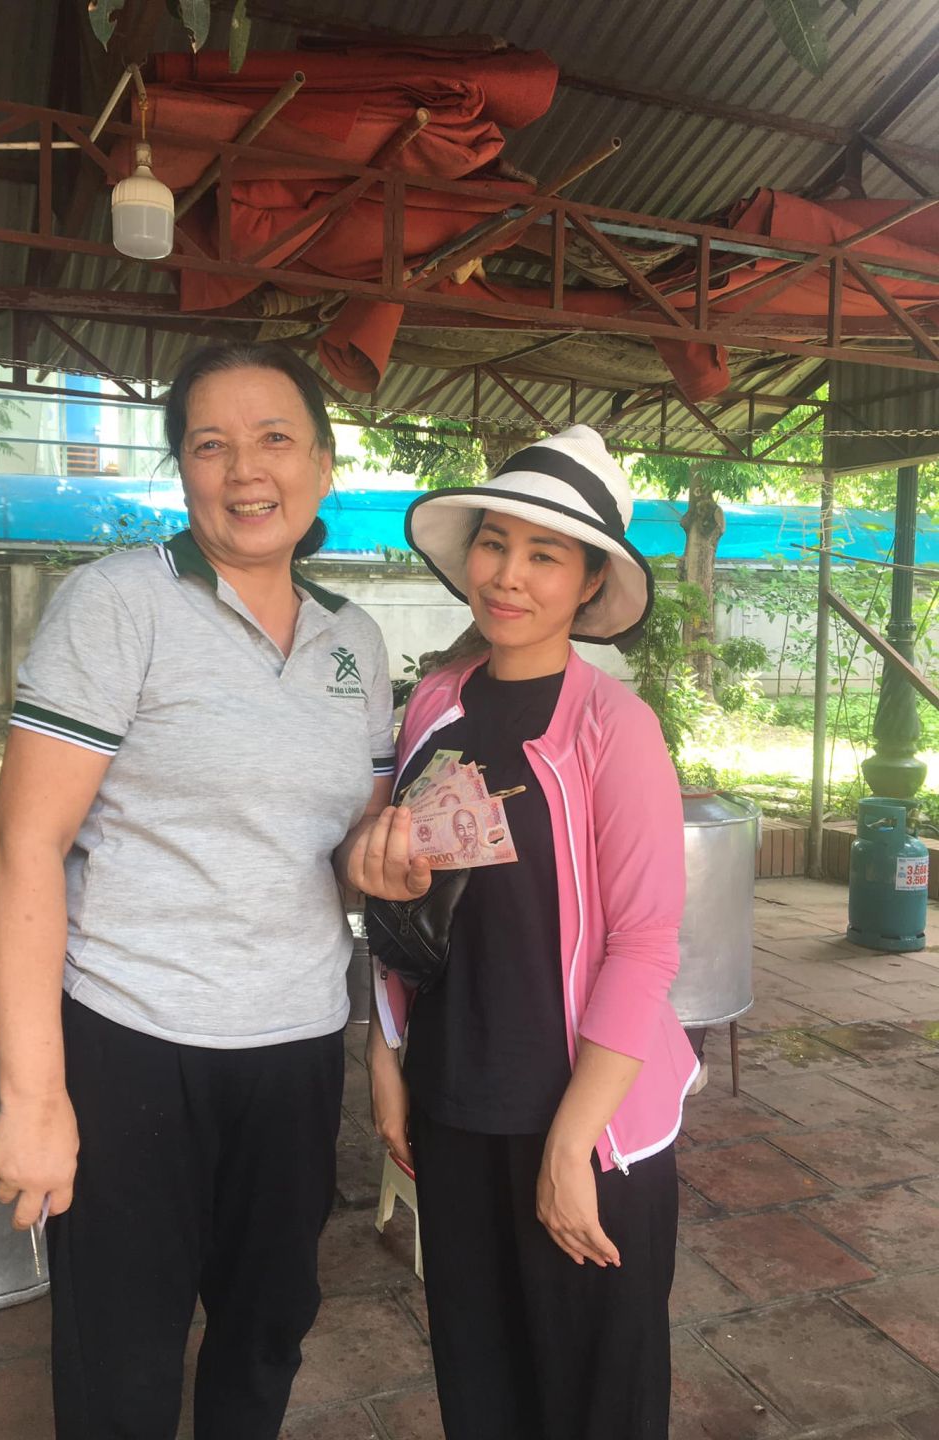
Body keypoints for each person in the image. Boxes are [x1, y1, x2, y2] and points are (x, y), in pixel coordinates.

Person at [0, 341, 397, 1440]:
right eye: (210, 444)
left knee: (267, 1333)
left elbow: (343, 848)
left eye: (275, 439)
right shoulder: (121, 604)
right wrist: (34, 1098)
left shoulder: (355, 640)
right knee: (122, 1359)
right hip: (134, 1037)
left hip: (297, 1042)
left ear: (322, 465)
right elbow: (25, 847)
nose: (244, 469)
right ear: (183, 471)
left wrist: (390, 856)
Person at [348, 426, 698, 1440]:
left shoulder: (613, 728)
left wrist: (572, 1143)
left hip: (588, 1124)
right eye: (495, 544)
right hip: (456, 1102)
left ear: (590, 583)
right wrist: (386, 1051)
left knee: (595, 1400)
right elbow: (406, 902)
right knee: (481, 1384)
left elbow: (645, 942)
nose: (508, 575)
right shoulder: (435, 707)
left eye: (545, 555)